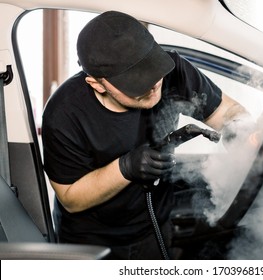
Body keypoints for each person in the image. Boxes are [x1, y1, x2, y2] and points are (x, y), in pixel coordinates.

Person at [41, 10, 251, 259]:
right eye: (136, 82)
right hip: (94, 242)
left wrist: (241, 132)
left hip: (155, 225)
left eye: (153, 69)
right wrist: (124, 168)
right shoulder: (64, 114)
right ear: (98, 83)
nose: (153, 85)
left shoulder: (175, 71)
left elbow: (228, 112)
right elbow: (70, 198)